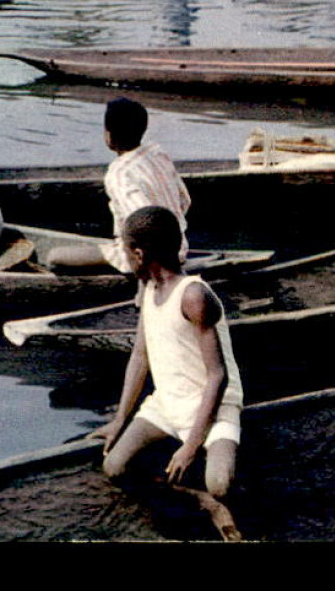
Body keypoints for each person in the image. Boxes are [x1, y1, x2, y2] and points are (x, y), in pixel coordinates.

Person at [93, 206, 243, 541]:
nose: (125, 259)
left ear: (139, 253)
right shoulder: (148, 289)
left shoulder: (193, 296)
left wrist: (191, 446)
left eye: (125, 252)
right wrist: (120, 419)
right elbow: (140, 355)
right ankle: (198, 501)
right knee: (114, 466)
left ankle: (218, 502)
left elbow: (217, 377)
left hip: (213, 407)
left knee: (220, 483)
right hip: (167, 404)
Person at [46, 96, 191, 272]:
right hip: (180, 248)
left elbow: (144, 227)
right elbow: (185, 201)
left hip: (147, 257)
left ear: (109, 135)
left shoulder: (119, 174)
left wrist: (133, 253)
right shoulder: (157, 152)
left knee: (53, 256)